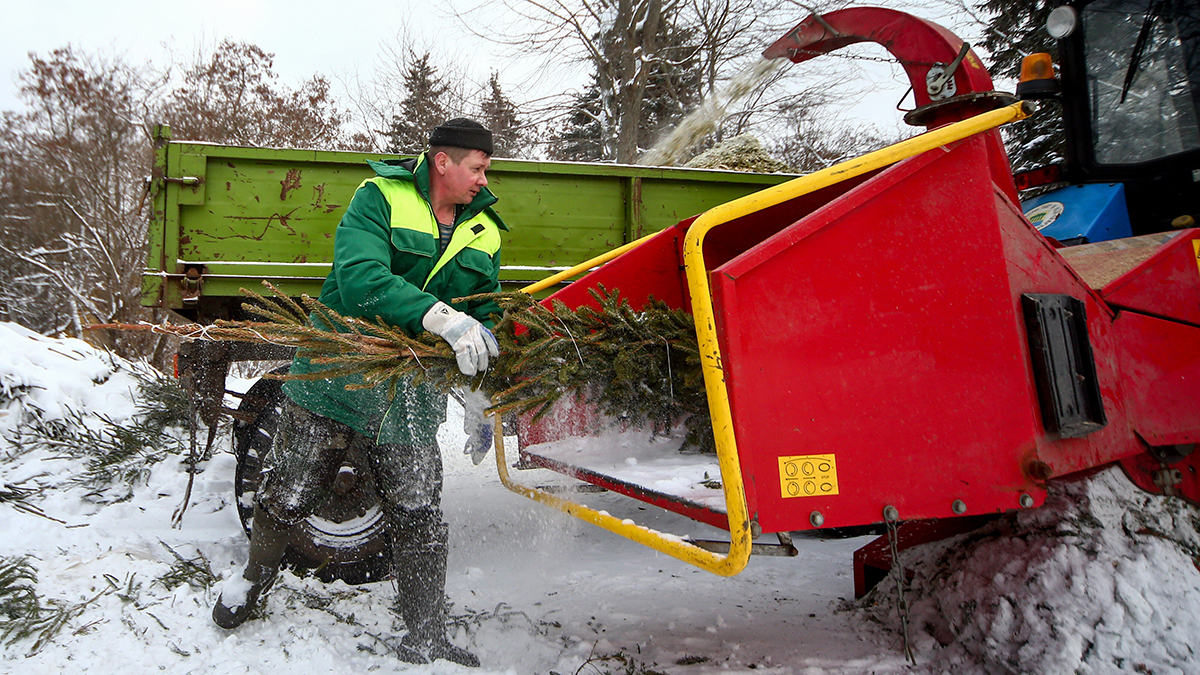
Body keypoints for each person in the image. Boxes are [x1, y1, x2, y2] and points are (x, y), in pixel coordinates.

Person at [211, 118, 507, 668]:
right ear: (443, 161)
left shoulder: (484, 230)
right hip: (335, 373)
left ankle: (426, 635)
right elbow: (359, 279)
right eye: (477, 168)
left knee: (419, 512)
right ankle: (250, 584)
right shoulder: (380, 197)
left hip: (408, 393)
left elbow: (485, 315)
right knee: (289, 492)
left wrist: (479, 393)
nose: (484, 181)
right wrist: (442, 319)